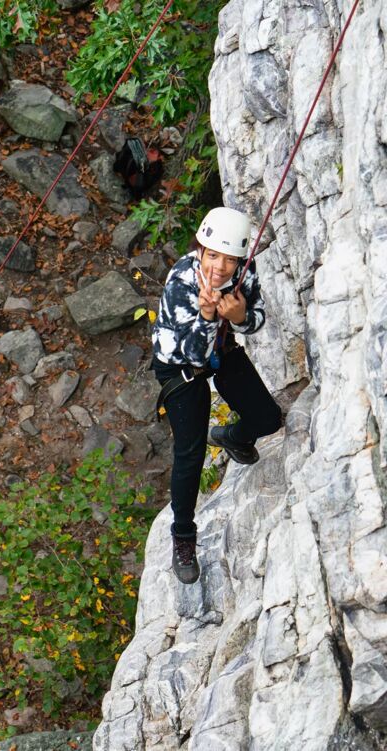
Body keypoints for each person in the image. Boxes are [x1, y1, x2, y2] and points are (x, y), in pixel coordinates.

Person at [151, 206, 282, 584]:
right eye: (213, 256)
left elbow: (257, 318)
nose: (221, 267)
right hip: (180, 364)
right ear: (201, 250)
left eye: (229, 259)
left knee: (268, 420)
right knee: (189, 455)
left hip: (221, 351)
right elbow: (192, 353)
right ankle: (183, 539)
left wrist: (239, 316)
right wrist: (208, 316)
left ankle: (230, 437)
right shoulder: (181, 281)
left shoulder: (245, 272)